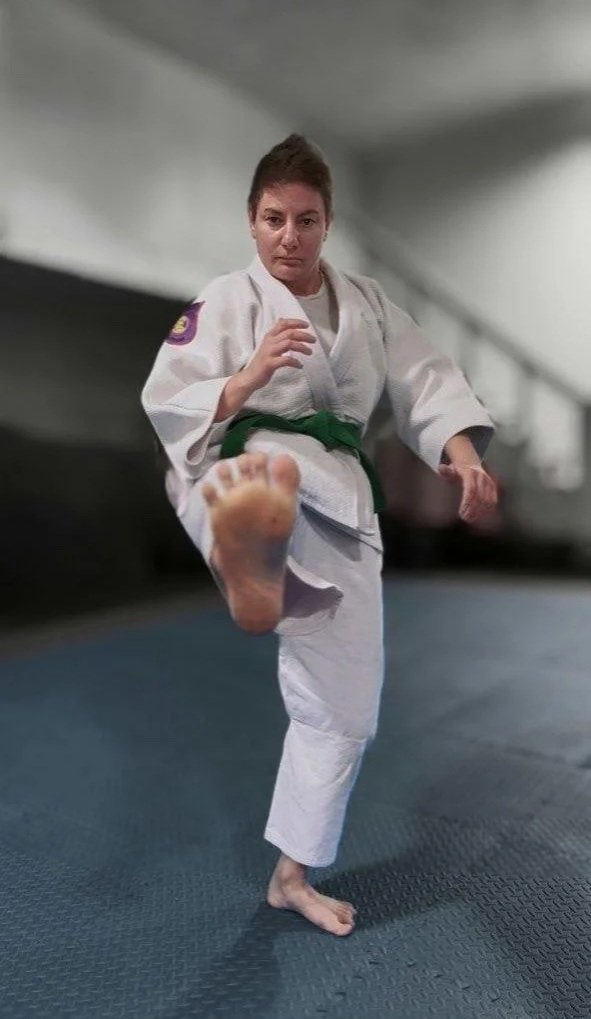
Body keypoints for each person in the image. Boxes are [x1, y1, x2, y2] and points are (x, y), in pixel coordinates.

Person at [141, 134, 498, 936]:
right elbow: (167, 397)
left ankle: (290, 875)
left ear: (327, 223)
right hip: (241, 463)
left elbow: (425, 379)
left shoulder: (368, 304)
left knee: (343, 706)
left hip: (339, 500)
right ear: (251, 220)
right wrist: (249, 375)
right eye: (274, 219)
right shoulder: (225, 299)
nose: (289, 236)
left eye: (305, 220)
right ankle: (244, 548)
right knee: (261, 477)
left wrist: (462, 453)